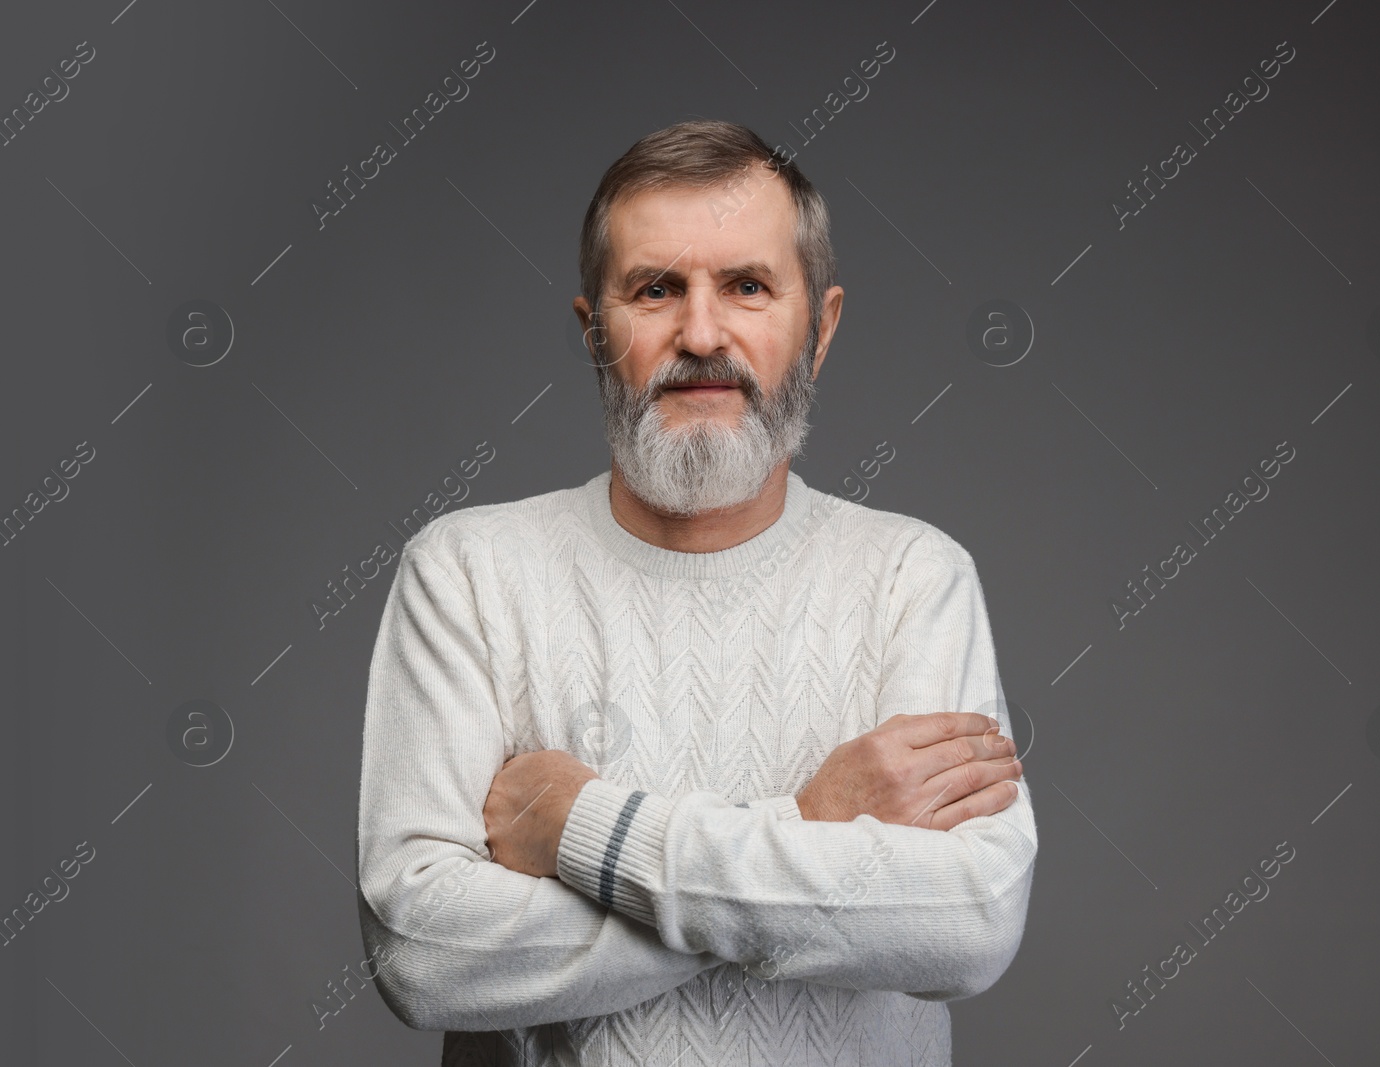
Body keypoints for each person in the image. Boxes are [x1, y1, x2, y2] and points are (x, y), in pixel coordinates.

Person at [355, 119, 1037, 1066]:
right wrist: (810, 827)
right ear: (597, 332)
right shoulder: (467, 573)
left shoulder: (913, 579)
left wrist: (582, 829)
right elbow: (423, 955)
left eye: (748, 287)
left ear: (821, 327)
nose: (702, 332)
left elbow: (965, 922)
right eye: (656, 290)